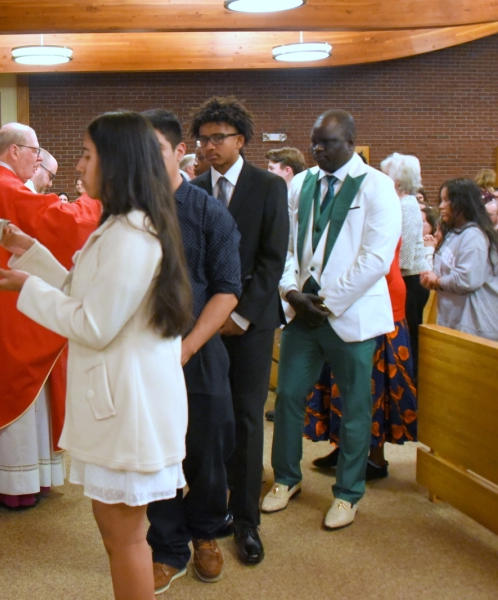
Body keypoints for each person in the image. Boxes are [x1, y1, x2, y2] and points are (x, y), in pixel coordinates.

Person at [0, 110, 193, 600]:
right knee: (118, 535)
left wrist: (26, 288)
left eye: (86, 155)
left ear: (117, 163)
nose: (77, 167)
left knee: (123, 539)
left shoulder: (130, 235)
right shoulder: (120, 225)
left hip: (131, 407)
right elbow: (83, 291)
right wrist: (30, 253)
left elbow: (92, 323)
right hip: (123, 401)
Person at [0, 123, 103, 509]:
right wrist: (99, 202)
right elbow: (60, 223)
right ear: (15, 150)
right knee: (13, 379)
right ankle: (9, 480)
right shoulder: (3, 186)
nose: (38, 159)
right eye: (35, 151)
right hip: (6, 304)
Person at [264, 110, 400, 530]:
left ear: (352, 142)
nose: (318, 150)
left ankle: (348, 493)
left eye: (328, 142)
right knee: (287, 398)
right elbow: (285, 245)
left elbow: (376, 257)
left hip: (349, 315)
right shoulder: (302, 183)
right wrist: (290, 292)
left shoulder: (378, 186)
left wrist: (328, 300)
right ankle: (287, 479)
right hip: (302, 313)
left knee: (355, 407)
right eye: (315, 142)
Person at [141, 109, 242, 591]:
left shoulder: (207, 211)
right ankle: (167, 546)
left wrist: (186, 348)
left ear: (180, 152)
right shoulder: (129, 213)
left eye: (156, 149)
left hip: (197, 350)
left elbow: (226, 289)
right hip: (143, 353)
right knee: (157, 451)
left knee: (206, 450)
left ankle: (206, 534)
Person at [190, 96, 289, 564]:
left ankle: (246, 520)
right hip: (203, 323)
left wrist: (242, 314)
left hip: (251, 322)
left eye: (218, 138)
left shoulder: (268, 186)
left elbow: (273, 260)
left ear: (240, 140)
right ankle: (209, 512)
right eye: (203, 139)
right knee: (207, 419)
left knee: (248, 420)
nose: (209, 146)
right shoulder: (192, 189)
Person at [305, 240, 418, 481]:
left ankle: (375, 457)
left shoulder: (382, 205)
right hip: (346, 302)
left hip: (379, 303)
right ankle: (345, 447)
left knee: (372, 387)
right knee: (343, 381)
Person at [420, 178, 498, 342]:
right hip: (454, 322)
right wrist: (431, 278)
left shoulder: (474, 236)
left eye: (447, 200)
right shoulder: (455, 233)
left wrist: (438, 281)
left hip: (475, 327)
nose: (441, 206)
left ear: (463, 203)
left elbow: (468, 280)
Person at [380, 153, 430, 380]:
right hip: (403, 279)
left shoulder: (407, 206)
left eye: (385, 176)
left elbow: (405, 257)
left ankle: (412, 389)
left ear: (397, 182)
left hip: (410, 280)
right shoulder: (399, 204)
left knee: (410, 338)